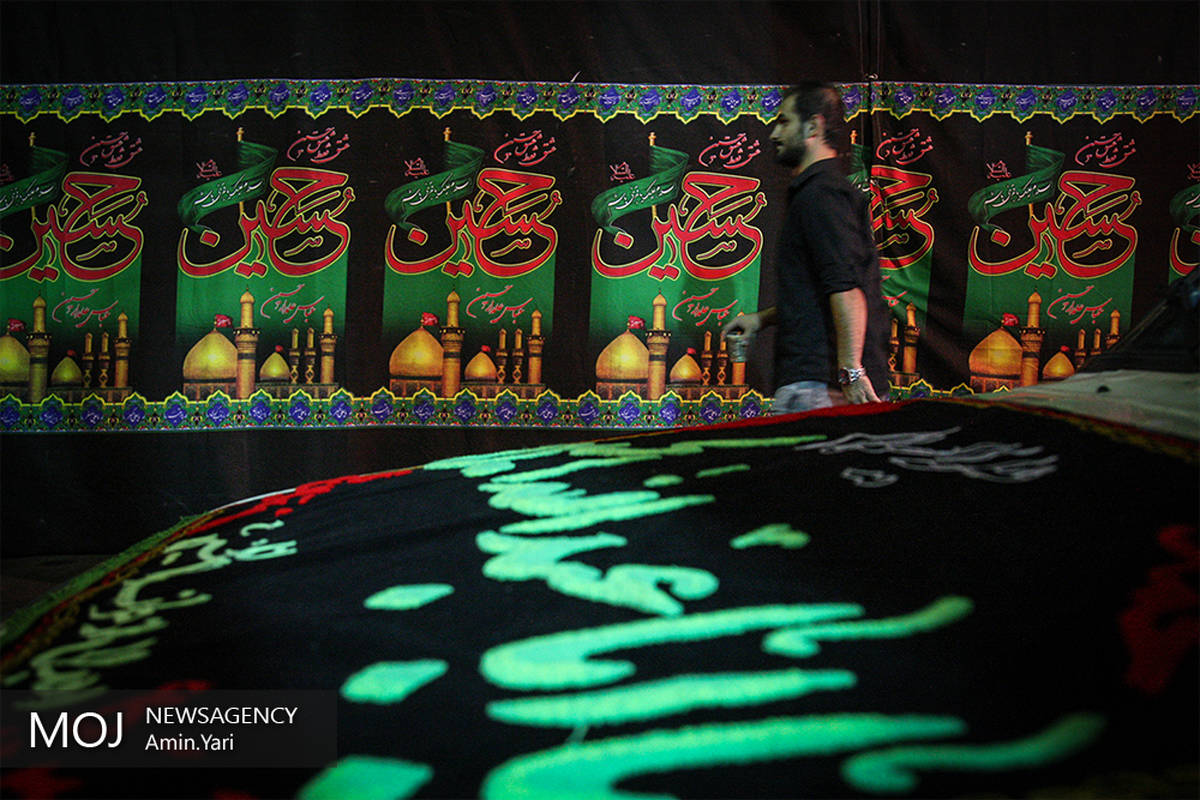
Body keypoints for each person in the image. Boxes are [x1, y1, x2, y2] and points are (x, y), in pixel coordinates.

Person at [722, 82, 890, 413]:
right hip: (821, 385)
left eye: (784, 122)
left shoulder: (821, 195)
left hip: (822, 388)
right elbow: (822, 289)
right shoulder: (819, 193)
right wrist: (761, 320)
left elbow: (846, 288)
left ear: (813, 126)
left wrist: (852, 373)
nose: (774, 134)